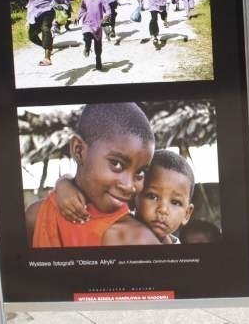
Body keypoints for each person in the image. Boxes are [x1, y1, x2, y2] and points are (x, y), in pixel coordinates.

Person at [25, 103, 160, 247]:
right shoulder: (36, 217)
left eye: (139, 172)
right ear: (79, 151)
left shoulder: (139, 239)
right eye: (116, 163)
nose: (129, 186)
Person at [56, 149, 195, 245]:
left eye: (175, 202)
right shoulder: (117, 224)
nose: (163, 209)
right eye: (152, 196)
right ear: (133, 197)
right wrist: (64, 184)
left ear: (187, 214)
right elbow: (84, 189)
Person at [9, 0, 75, 66]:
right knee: (32, 36)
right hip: (34, 12)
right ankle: (47, 46)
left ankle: (47, 57)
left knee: (45, 28)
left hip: (48, 9)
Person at [78, 0, 110, 71]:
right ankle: (87, 48)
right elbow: (82, 9)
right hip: (87, 23)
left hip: (98, 25)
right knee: (87, 36)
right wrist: (78, 17)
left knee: (98, 46)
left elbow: (107, 9)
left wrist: (106, 16)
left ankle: (98, 61)